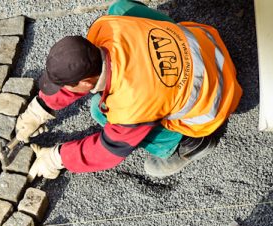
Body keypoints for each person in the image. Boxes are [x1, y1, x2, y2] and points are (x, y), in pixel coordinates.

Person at [16, 0, 242, 179]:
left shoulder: (131, 103)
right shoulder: (108, 27)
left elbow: (109, 150)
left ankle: (190, 144)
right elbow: (81, 72)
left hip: (215, 99)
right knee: (123, 9)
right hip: (206, 44)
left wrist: (57, 158)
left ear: (85, 83)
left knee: (100, 112)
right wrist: (40, 108)